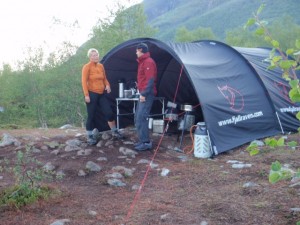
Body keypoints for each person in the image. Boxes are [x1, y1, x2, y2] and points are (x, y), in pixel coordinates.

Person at [82, 48, 123, 145]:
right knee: (91, 115)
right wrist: (86, 95)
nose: (95, 57)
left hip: (101, 94)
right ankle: (90, 136)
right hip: (92, 93)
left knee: (109, 112)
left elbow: (104, 78)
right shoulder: (86, 67)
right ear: (89, 57)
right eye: (93, 55)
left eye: (96, 55)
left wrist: (108, 85)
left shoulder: (101, 66)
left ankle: (114, 131)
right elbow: (83, 82)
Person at [134, 43, 158, 151]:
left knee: (142, 117)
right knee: (138, 117)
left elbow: (150, 80)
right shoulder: (142, 62)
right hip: (143, 93)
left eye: (137, 51)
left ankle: (146, 142)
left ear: (141, 50)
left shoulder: (148, 62)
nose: (136, 53)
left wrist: (143, 94)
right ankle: (142, 140)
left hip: (147, 94)